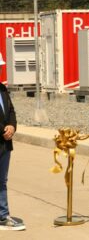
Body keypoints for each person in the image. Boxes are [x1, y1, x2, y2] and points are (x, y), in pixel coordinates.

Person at [0, 53, 25, 231]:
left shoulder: (2, 89)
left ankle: (2, 215)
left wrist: (12, 126)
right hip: (2, 137)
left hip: (4, 144)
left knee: (2, 181)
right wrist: (3, 130)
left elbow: (11, 111)